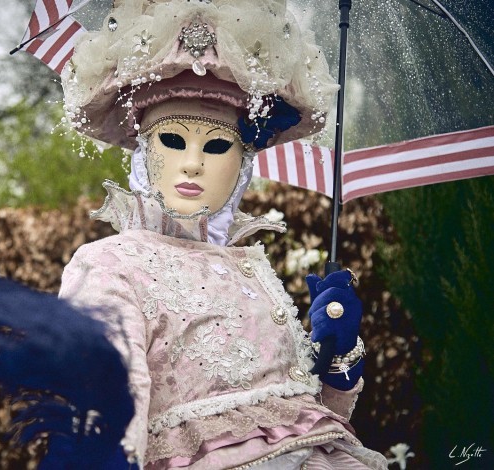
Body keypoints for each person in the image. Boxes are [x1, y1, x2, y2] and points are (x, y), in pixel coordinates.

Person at [57, 0, 389, 468]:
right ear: (141, 150)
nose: (193, 163)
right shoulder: (109, 265)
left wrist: (335, 362)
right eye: (172, 140)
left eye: (216, 146)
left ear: (244, 164)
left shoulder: (249, 268)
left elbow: (305, 423)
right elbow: (105, 419)